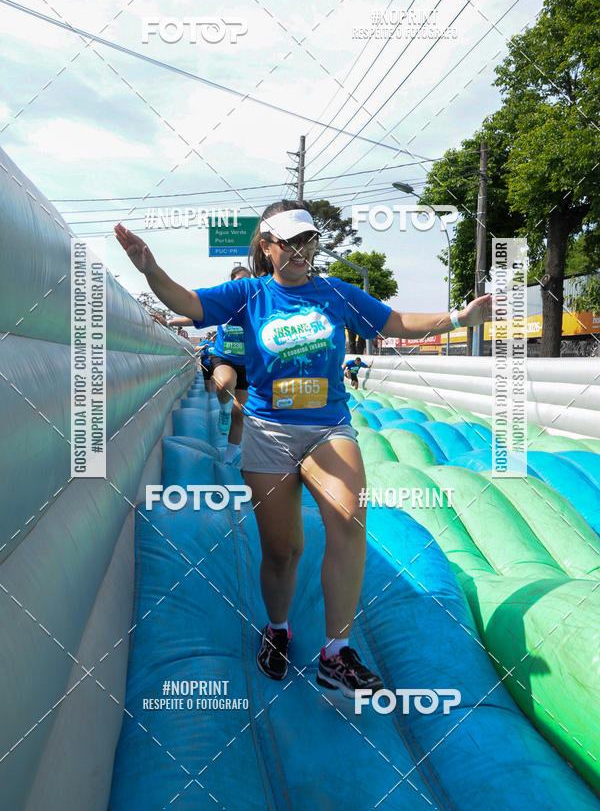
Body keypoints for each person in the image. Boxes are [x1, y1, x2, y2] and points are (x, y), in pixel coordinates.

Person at [114, 202, 491, 698]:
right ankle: (277, 628)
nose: (299, 251)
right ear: (266, 248)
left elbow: (394, 321)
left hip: (327, 426)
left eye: (307, 240)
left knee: (349, 514)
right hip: (269, 432)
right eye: (288, 242)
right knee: (283, 551)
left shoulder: (335, 292)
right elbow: (189, 302)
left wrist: (458, 318)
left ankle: (336, 653)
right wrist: (150, 269)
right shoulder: (250, 294)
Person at [167, 267, 251, 464]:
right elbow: (194, 316)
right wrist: (168, 321)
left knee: (239, 414)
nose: (243, 285)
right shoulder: (226, 305)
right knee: (224, 384)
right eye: (238, 280)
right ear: (231, 282)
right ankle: (223, 410)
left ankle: (229, 457)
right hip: (224, 358)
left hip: (247, 363)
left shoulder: (254, 306)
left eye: (247, 281)